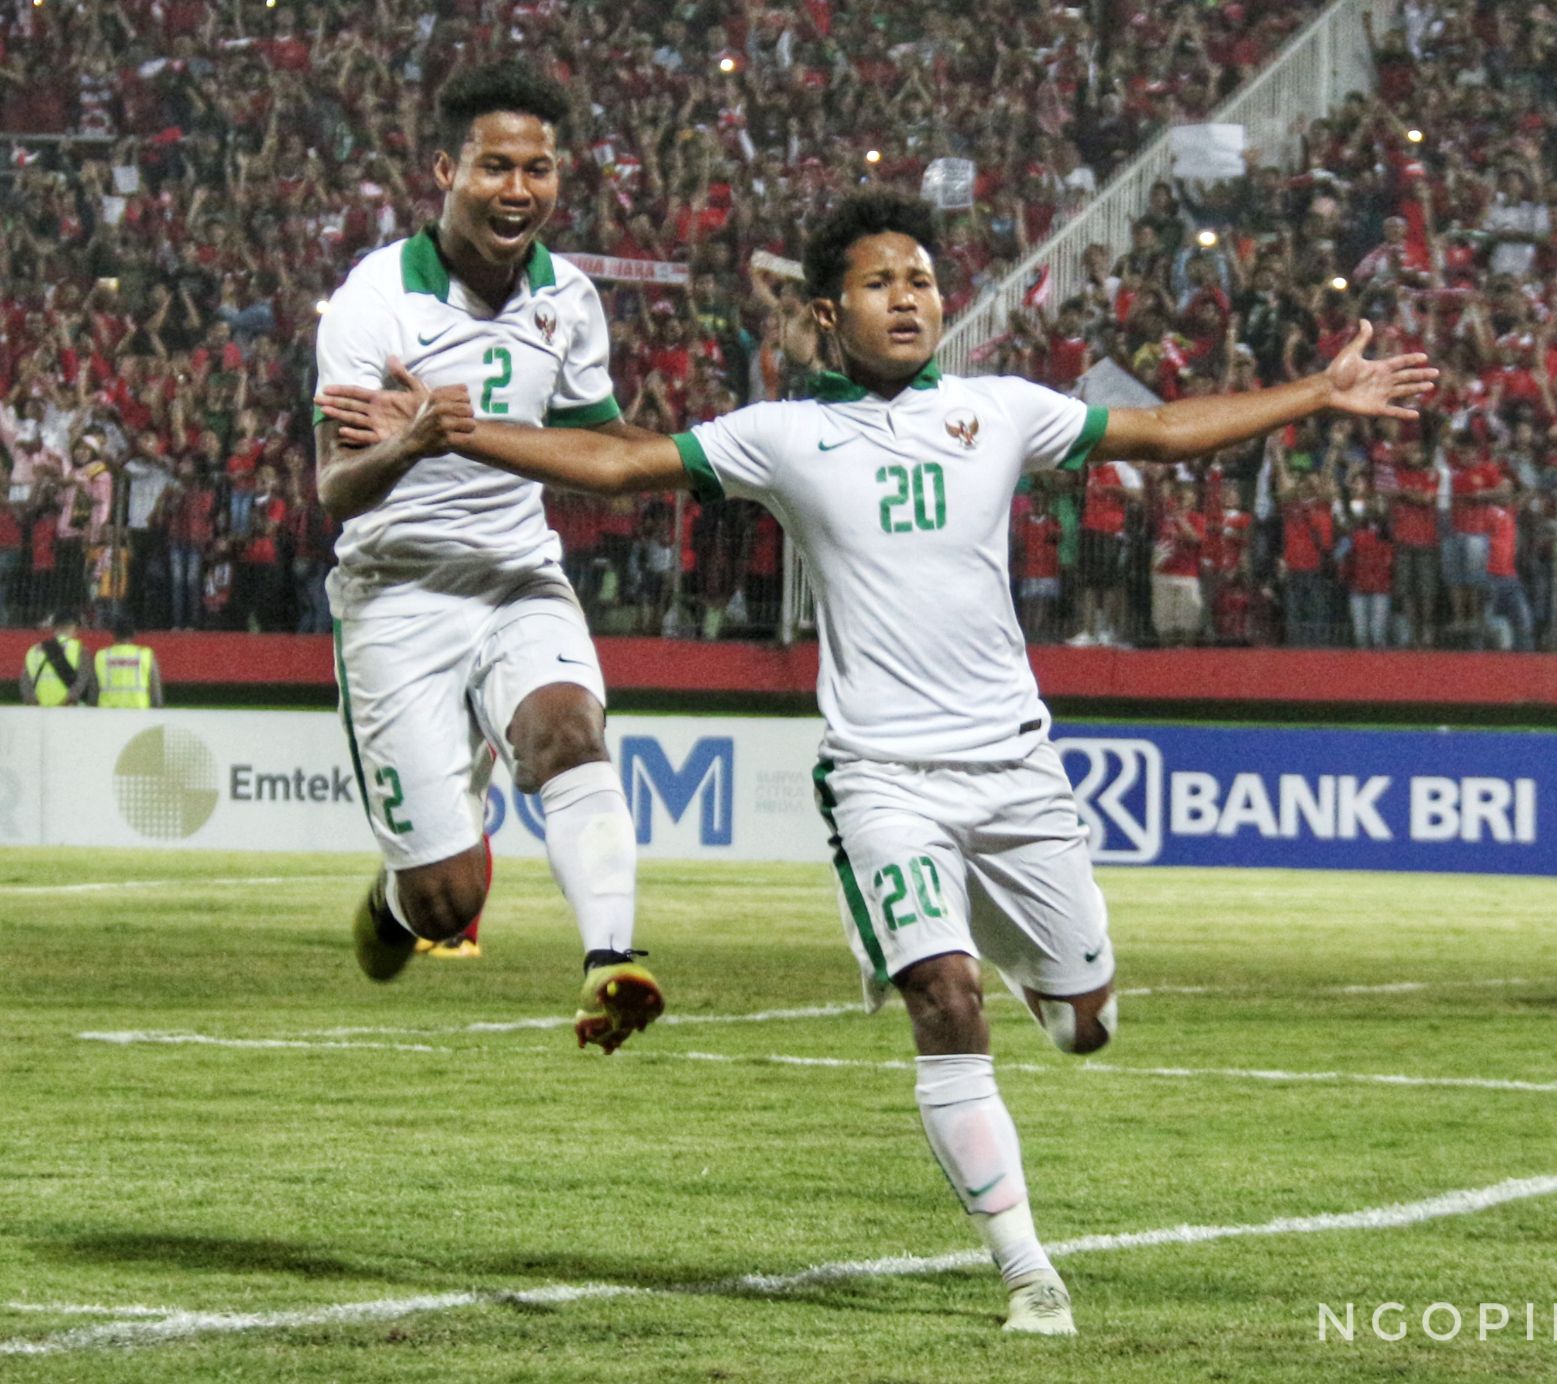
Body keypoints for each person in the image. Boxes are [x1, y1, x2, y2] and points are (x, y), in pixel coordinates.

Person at [317, 189, 1434, 1334]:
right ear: (827, 310)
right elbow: (617, 465)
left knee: (1085, 1023)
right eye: (878, 283)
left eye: (921, 280)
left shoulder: (1000, 411)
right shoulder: (782, 434)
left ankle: (1018, 958)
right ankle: (1025, 1271)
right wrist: (442, 430)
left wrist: (1317, 392)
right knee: (942, 1001)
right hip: (879, 780)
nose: (907, 298)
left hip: (1013, 773)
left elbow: (1160, 430)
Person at [310, 61, 660, 1052]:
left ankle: (611, 962)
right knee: (444, 900)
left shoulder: (569, 300)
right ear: (443, 170)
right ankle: (394, 901)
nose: (519, 190)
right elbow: (333, 489)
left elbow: (601, 450)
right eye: (495, 166)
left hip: (516, 574)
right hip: (397, 593)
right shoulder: (374, 300)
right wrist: (406, 445)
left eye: (538, 169)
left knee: (567, 735)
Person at [20, 610, 93, 706]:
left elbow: (25, 682)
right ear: (74, 627)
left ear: (53, 628)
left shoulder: (34, 650)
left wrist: (33, 704)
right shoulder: (80, 650)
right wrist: (67, 702)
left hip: (40, 712)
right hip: (67, 711)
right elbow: (83, 680)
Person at [91, 616, 164, 708]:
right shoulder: (145, 655)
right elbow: (155, 687)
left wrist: (92, 707)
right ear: (134, 633)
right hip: (139, 710)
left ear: (114, 634)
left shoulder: (101, 655)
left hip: (108, 711)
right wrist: (158, 707)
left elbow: (93, 688)